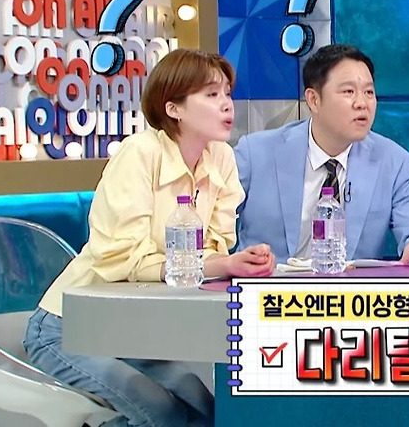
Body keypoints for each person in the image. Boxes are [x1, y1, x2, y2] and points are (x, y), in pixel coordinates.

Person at [24, 49, 277, 427]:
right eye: (211, 95)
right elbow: (122, 259)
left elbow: (213, 249)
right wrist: (219, 264)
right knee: (162, 412)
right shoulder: (139, 153)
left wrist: (236, 262)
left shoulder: (221, 157)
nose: (227, 104)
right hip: (70, 324)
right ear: (173, 108)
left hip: (133, 328)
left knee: (207, 410)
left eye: (227, 93)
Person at [235, 44, 409, 263]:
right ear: (314, 100)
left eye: (369, 92)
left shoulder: (393, 161)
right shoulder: (255, 154)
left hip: (350, 285)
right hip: (269, 282)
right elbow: (212, 229)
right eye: (348, 92)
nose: (362, 103)